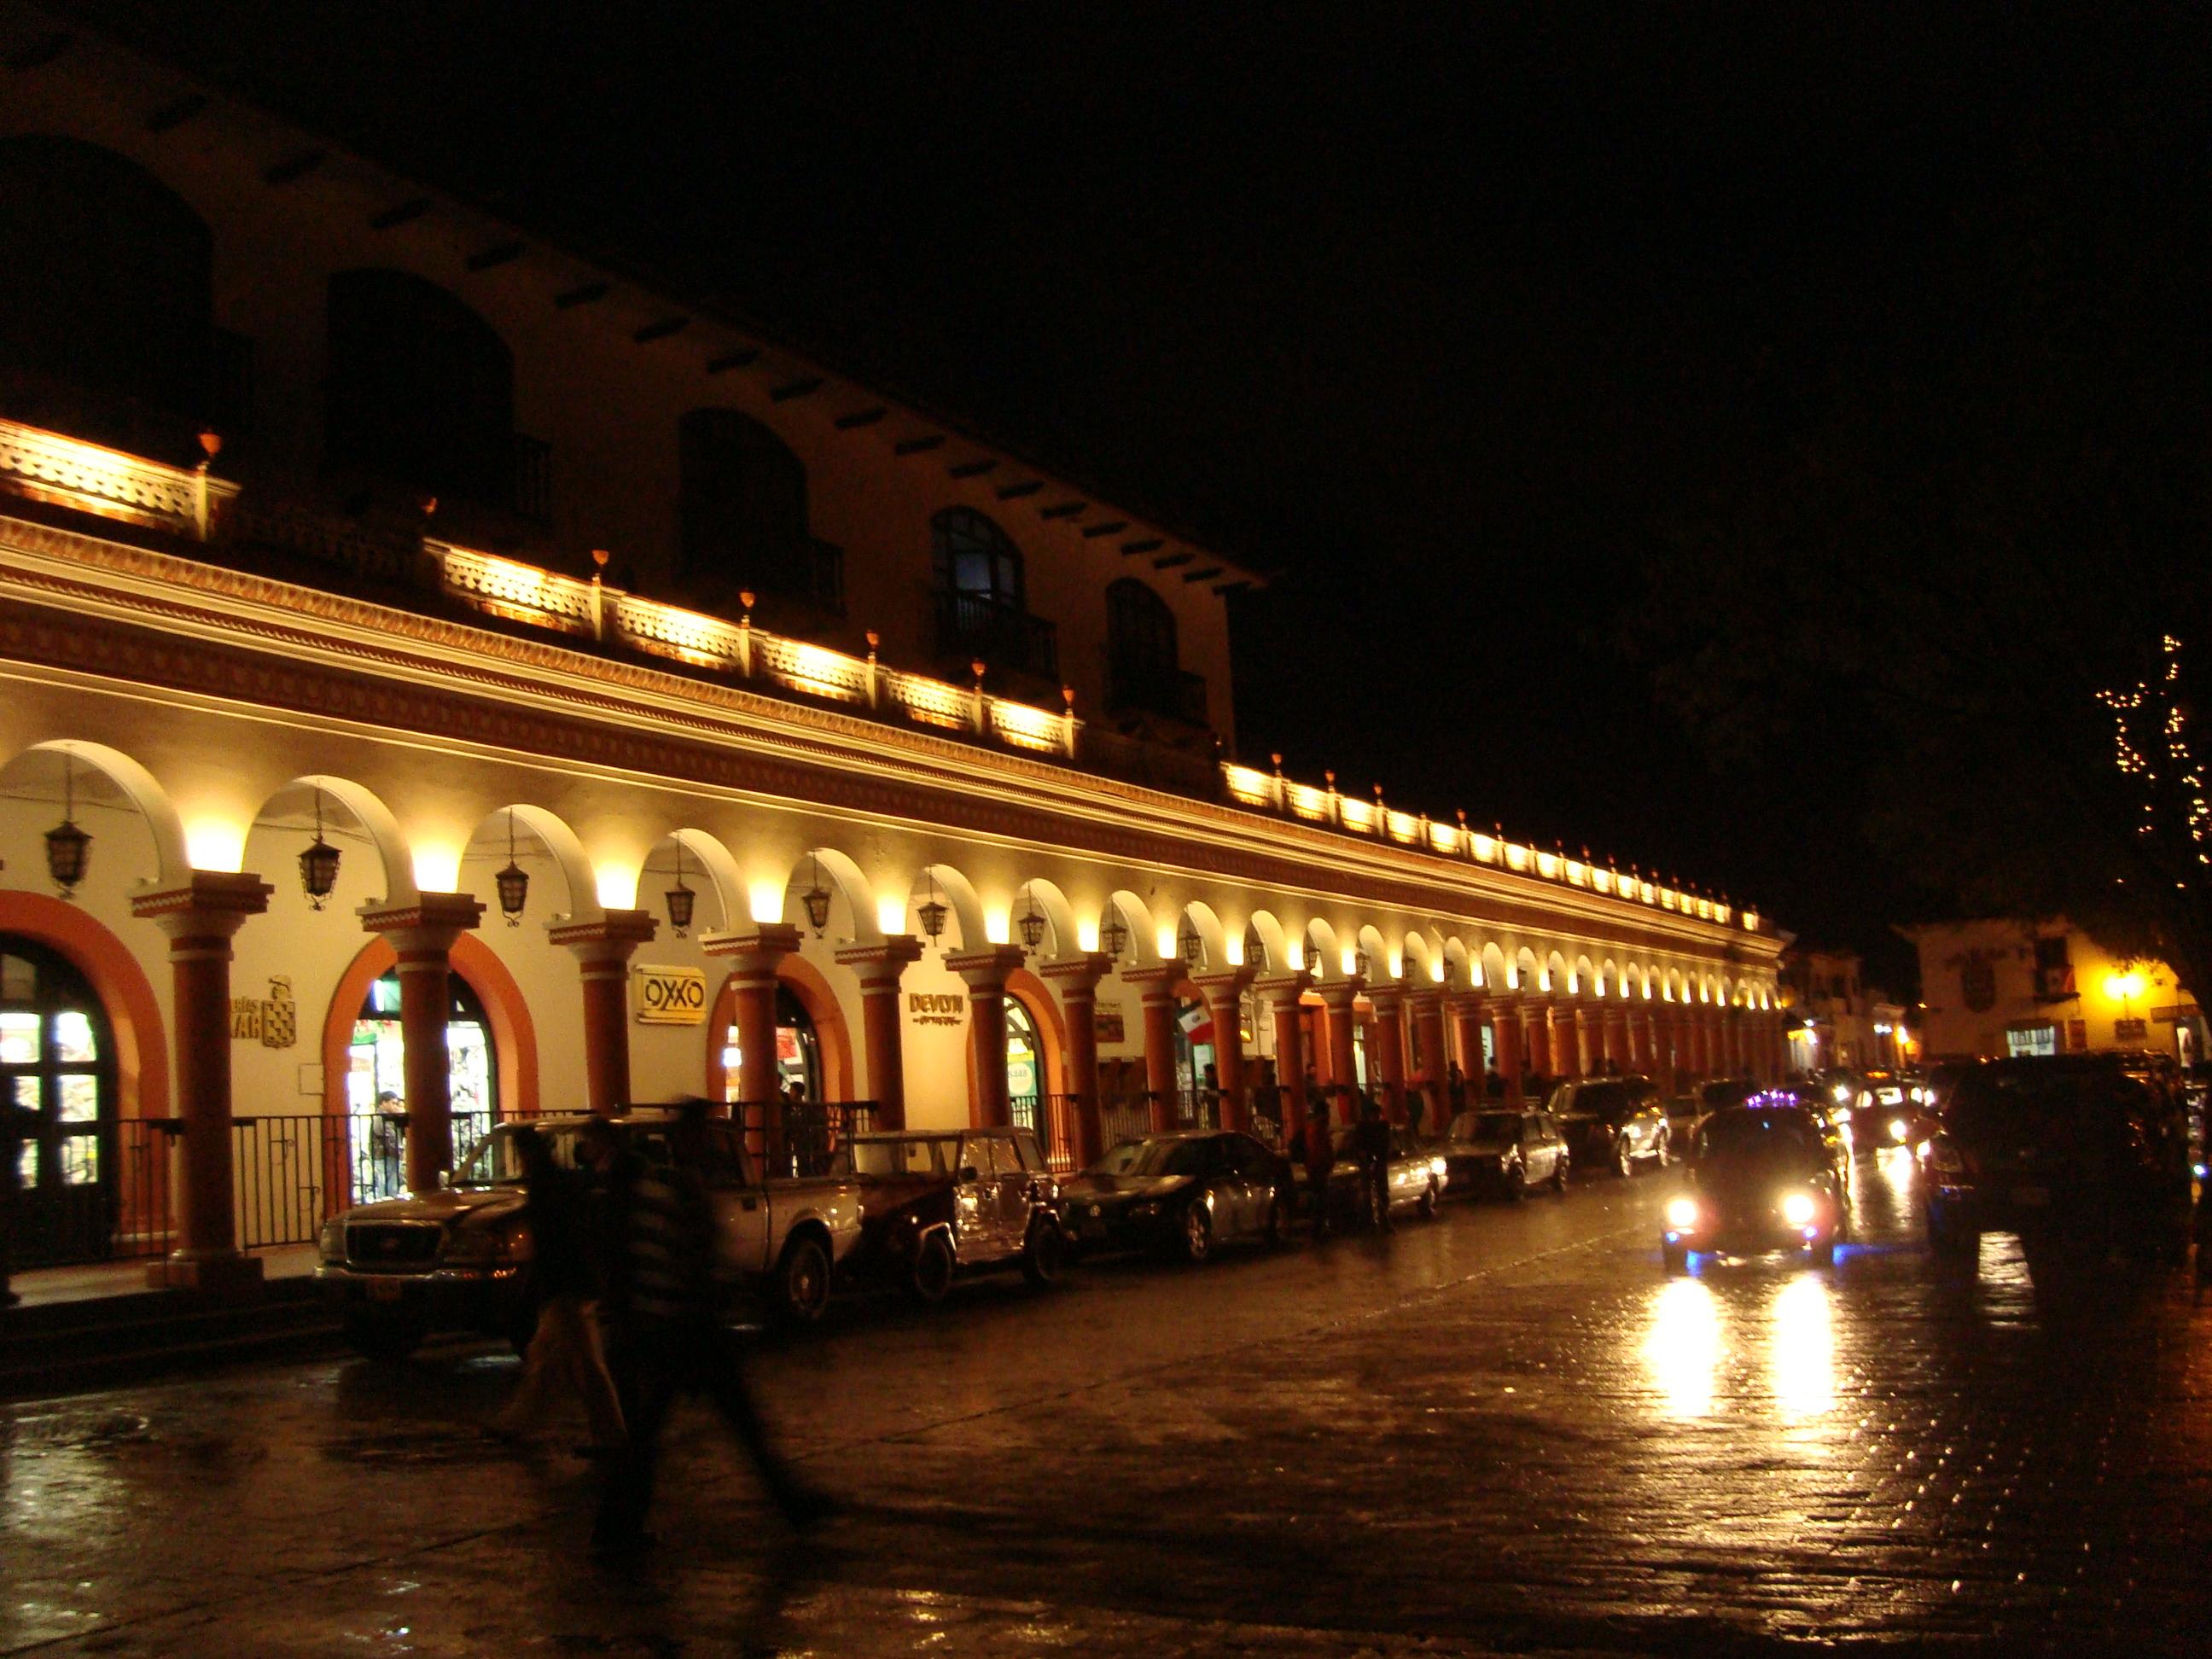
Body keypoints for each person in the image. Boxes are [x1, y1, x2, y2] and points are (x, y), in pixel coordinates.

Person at [594, 1099, 833, 1557]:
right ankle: (791, 1503)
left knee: (658, 1430)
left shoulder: (659, 1186)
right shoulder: (679, 1190)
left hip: (669, 1326)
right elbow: (690, 1261)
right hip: (683, 1328)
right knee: (727, 1423)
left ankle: (617, 1523)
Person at [492, 1124, 626, 1453]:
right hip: (569, 1284)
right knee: (548, 1357)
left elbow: (555, 1240)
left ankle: (611, 1434)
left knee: (583, 1362)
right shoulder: (559, 1182)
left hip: (565, 1286)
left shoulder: (546, 1186)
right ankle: (521, 1423)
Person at [1353, 1091, 1394, 1231]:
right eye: (1373, 1115)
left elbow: (1385, 1146)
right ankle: (1367, 1220)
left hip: (1380, 1164)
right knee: (1366, 1194)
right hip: (1366, 1164)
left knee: (1383, 1193)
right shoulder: (1362, 1129)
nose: (1375, 1118)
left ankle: (1384, 1219)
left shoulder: (1383, 1128)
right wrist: (1365, 1158)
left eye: (1377, 1115)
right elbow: (1358, 1146)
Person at [1301, 1082, 1336, 1238]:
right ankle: (1319, 1228)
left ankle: (1318, 1227)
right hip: (1319, 1169)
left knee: (1319, 1199)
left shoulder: (1311, 1127)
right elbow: (1321, 1150)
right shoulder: (1319, 1129)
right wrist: (1328, 1164)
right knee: (1322, 1200)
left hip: (1314, 1168)